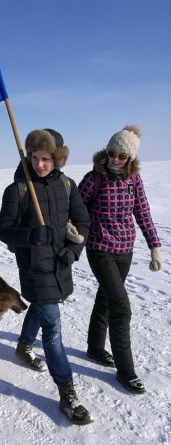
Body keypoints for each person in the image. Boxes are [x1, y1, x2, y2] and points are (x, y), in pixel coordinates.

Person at [0, 129, 92, 425]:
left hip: (60, 266)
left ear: (57, 158)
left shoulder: (67, 185)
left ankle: (24, 345)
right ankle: (68, 394)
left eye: (46, 158)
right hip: (34, 268)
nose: (40, 164)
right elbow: (4, 230)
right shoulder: (18, 189)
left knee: (40, 307)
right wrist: (31, 235)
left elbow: (84, 222)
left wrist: (73, 253)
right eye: (35, 158)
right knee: (53, 330)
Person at [78, 125, 163, 394]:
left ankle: (94, 348)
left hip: (125, 249)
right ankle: (126, 371)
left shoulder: (134, 181)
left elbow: (143, 212)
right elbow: (75, 208)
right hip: (99, 247)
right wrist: (71, 228)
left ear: (130, 159)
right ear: (107, 152)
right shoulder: (95, 178)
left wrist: (154, 246)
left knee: (106, 297)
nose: (115, 159)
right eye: (112, 153)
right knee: (121, 306)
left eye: (121, 156)